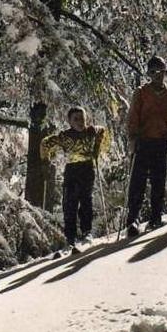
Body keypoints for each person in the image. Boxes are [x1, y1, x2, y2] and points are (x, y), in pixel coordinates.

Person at [40, 106, 111, 253]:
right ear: (70, 121)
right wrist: (45, 160)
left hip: (87, 168)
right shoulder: (65, 136)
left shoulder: (91, 131)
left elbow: (102, 131)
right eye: (76, 119)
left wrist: (97, 149)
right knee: (69, 204)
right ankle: (70, 238)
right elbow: (46, 143)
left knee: (86, 201)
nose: (80, 122)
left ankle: (87, 232)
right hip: (72, 170)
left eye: (82, 119)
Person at [125, 56, 167, 237]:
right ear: (149, 74)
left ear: (165, 72)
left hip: (160, 141)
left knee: (158, 180)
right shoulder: (141, 92)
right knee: (137, 182)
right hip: (142, 141)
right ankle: (133, 219)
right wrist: (132, 137)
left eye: (161, 71)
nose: (158, 75)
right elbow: (133, 115)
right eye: (154, 72)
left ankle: (156, 215)